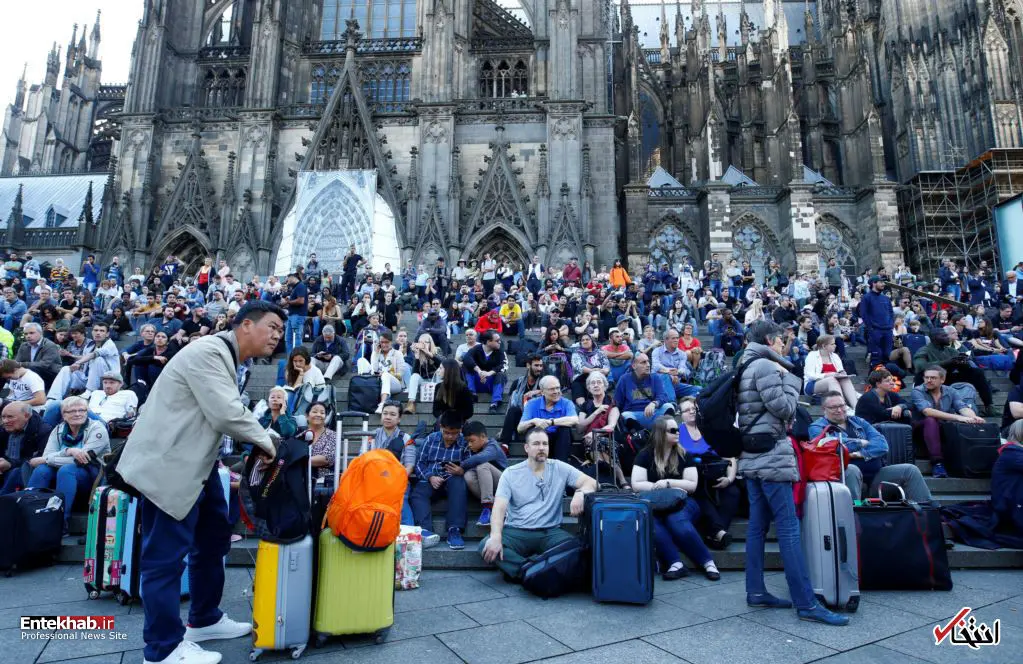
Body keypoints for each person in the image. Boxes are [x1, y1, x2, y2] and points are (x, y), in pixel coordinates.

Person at [116, 301, 285, 664]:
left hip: (199, 463)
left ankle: (204, 619)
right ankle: (162, 650)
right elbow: (226, 412)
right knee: (164, 557)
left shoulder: (229, 357)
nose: (276, 335)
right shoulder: (209, 351)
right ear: (244, 325)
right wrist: (270, 442)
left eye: (281, 331)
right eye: (271, 326)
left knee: (213, 540)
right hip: (169, 465)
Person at [737, 321, 849, 626]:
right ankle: (806, 603)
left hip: (753, 456)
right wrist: (791, 380)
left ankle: (756, 591)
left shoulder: (746, 363)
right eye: (783, 340)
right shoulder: (765, 366)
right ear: (772, 340)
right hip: (772, 457)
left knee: (757, 528)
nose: (785, 345)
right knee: (788, 529)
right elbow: (785, 409)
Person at [480, 427, 597, 579]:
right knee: (485, 545)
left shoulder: (559, 467)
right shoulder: (510, 473)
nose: (541, 448)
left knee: (578, 549)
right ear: (526, 448)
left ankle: (526, 571)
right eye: (536, 444)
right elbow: (499, 508)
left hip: (549, 532)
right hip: (517, 531)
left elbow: (592, 482)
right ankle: (532, 570)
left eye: (545, 444)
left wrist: (580, 492)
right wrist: (495, 536)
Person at [632, 416, 720, 581]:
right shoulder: (645, 454)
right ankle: (676, 563)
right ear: (660, 433)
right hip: (655, 503)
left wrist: (667, 483)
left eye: (678, 429)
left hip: (684, 502)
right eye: (673, 430)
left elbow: (692, 484)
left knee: (676, 522)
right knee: (652, 524)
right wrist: (659, 487)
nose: (678, 432)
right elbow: (636, 484)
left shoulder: (684, 454)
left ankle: (708, 562)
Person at [811, 392, 933, 502]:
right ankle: (853, 515)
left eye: (842, 405)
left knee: (910, 470)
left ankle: (927, 514)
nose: (839, 410)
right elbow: (832, 446)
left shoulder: (858, 421)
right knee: (852, 469)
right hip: (842, 477)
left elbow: (882, 444)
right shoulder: (817, 427)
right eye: (833, 407)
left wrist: (859, 454)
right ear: (823, 409)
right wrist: (860, 442)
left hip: (876, 476)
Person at [26, 395, 110, 535]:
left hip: (92, 478)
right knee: (42, 470)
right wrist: (69, 451)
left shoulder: (97, 429)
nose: (78, 414)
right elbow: (48, 455)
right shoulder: (58, 430)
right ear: (64, 415)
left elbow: (83, 460)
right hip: (63, 479)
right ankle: (29, 518)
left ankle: (61, 523)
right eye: (72, 411)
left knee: (66, 469)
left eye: (82, 410)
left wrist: (54, 456)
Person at [676, 398, 740, 549]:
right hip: (693, 476)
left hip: (715, 473)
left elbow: (729, 456)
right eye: (687, 410)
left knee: (733, 492)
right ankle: (718, 532)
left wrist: (729, 478)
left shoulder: (711, 429)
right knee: (698, 493)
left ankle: (715, 533)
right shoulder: (678, 432)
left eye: (694, 408)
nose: (691, 411)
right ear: (681, 415)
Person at [910, 366, 985, 479]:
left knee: (961, 425)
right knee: (931, 420)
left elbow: (962, 407)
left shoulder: (951, 391)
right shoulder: (917, 391)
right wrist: (957, 417)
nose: (929, 380)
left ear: (942, 380)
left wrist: (974, 418)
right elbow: (927, 411)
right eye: (926, 377)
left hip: (943, 427)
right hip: (921, 429)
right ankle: (937, 463)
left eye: (933, 378)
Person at [410, 411, 470, 550]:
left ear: (460, 430)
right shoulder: (431, 439)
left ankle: (454, 530)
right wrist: (430, 476)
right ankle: (425, 531)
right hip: (432, 480)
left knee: (459, 483)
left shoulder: (464, 442)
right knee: (418, 493)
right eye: (446, 432)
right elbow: (419, 464)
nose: (450, 437)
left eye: (454, 433)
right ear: (441, 427)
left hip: (453, 481)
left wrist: (462, 470)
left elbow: (471, 464)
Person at [912, 328, 995, 417]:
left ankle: (989, 406)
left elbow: (963, 367)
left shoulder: (951, 350)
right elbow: (920, 366)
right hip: (930, 381)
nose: (948, 337)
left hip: (947, 378)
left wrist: (963, 362)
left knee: (977, 372)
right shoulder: (924, 350)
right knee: (920, 376)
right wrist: (948, 362)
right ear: (934, 338)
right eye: (944, 336)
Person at [46, 321, 119, 401]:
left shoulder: (110, 344)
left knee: (97, 359)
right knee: (66, 369)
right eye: (96, 330)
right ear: (92, 332)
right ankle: (53, 398)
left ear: (107, 334)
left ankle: (89, 391)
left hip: (108, 379)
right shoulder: (89, 345)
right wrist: (76, 367)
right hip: (87, 379)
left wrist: (77, 362)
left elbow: (93, 355)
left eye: (102, 331)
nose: (98, 333)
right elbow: (85, 362)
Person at [517, 376, 578, 462]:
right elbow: (520, 428)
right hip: (540, 442)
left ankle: (560, 465)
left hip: (560, 442)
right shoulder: (532, 403)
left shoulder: (567, 403)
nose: (556, 391)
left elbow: (575, 420)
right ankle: (537, 464)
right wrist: (533, 421)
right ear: (542, 392)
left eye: (558, 388)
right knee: (532, 428)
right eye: (552, 389)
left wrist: (551, 422)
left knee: (565, 429)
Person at [461, 420, 509, 527]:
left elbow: (481, 458)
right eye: (467, 441)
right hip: (489, 487)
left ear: (482, 436)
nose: (469, 445)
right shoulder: (476, 448)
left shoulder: (492, 446)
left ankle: (487, 507)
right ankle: (493, 506)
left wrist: (461, 466)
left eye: (472, 441)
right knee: (468, 475)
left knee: (482, 465)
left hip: (505, 484)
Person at [0, 401, 52, 495]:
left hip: (25, 473)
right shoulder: (3, 429)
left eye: (10, 417)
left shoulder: (43, 431)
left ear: (26, 416)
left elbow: (39, 460)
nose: (5, 421)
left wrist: (10, 464)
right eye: (3, 417)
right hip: (5, 469)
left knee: (15, 472)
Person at [613, 352, 675, 430]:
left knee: (668, 406)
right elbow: (617, 402)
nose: (648, 365)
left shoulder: (655, 377)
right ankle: (641, 436)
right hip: (634, 415)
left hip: (654, 414)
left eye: (648, 361)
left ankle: (659, 433)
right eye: (643, 362)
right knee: (625, 415)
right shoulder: (624, 379)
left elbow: (663, 396)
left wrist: (654, 403)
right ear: (634, 366)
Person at [804, 335, 859, 408]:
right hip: (813, 384)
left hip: (834, 383)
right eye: (832, 344)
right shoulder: (812, 355)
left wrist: (842, 373)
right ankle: (843, 407)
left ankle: (856, 407)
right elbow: (810, 375)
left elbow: (840, 371)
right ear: (824, 346)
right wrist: (827, 375)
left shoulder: (835, 356)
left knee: (845, 378)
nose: (835, 345)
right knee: (831, 380)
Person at [462, 330, 507, 413]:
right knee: (466, 367)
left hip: (491, 383)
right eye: (497, 341)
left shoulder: (500, 351)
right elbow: (466, 358)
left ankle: (494, 403)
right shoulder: (477, 349)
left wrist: (488, 373)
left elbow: (504, 365)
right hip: (476, 381)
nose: (500, 342)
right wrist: (479, 371)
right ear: (488, 341)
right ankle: (472, 394)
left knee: (501, 374)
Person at [651, 329, 701, 400]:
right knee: (665, 376)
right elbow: (656, 367)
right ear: (665, 340)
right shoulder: (657, 351)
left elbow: (682, 368)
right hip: (659, 385)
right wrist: (670, 374)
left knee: (699, 389)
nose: (676, 340)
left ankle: (685, 402)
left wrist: (678, 372)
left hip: (675, 384)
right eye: (673, 338)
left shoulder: (682, 354)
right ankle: (673, 403)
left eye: (677, 338)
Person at [13, 322, 62, 387]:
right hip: (31, 372)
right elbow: (17, 361)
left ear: (41, 333)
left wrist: (22, 364)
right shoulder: (24, 345)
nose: (28, 336)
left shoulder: (50, 345)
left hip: (51, 375)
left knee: (32, 368)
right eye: (26, 334)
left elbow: (43, 365)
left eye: (31, 333)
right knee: (4, 367)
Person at [405, 333, 441, 414]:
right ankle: (411, 403)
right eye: (421, 342)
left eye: (426, 342)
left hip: (436, 380)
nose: (423, 344)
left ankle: (439, 402)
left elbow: (443, 364)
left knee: (439, 372)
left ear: (430, 343)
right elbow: (414, 373)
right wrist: (417, 358)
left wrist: (429, 354)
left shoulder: (437, 350)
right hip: (424, 382)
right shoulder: (417, 354)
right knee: (414, 376)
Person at [432, 358, 475, 423]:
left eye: (440, 368)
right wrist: (445, 418)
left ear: (448, 370)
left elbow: (469, 411)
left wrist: (455, 418)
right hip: (443, 421)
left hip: (459, 421)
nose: (438, 371)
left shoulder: (463, 388)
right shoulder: (438, 387)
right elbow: (435, 410)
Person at [281, 273, 308, 353]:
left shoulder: (300, 286)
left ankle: (298, 356)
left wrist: (288, 302)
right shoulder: (295, 287)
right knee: (288, 338)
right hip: (292, 316)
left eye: (287, 279)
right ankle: (290, 358)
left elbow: (301, 301)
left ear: (293, 278)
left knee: (296, 336)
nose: (286, 281)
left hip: (297, 316)